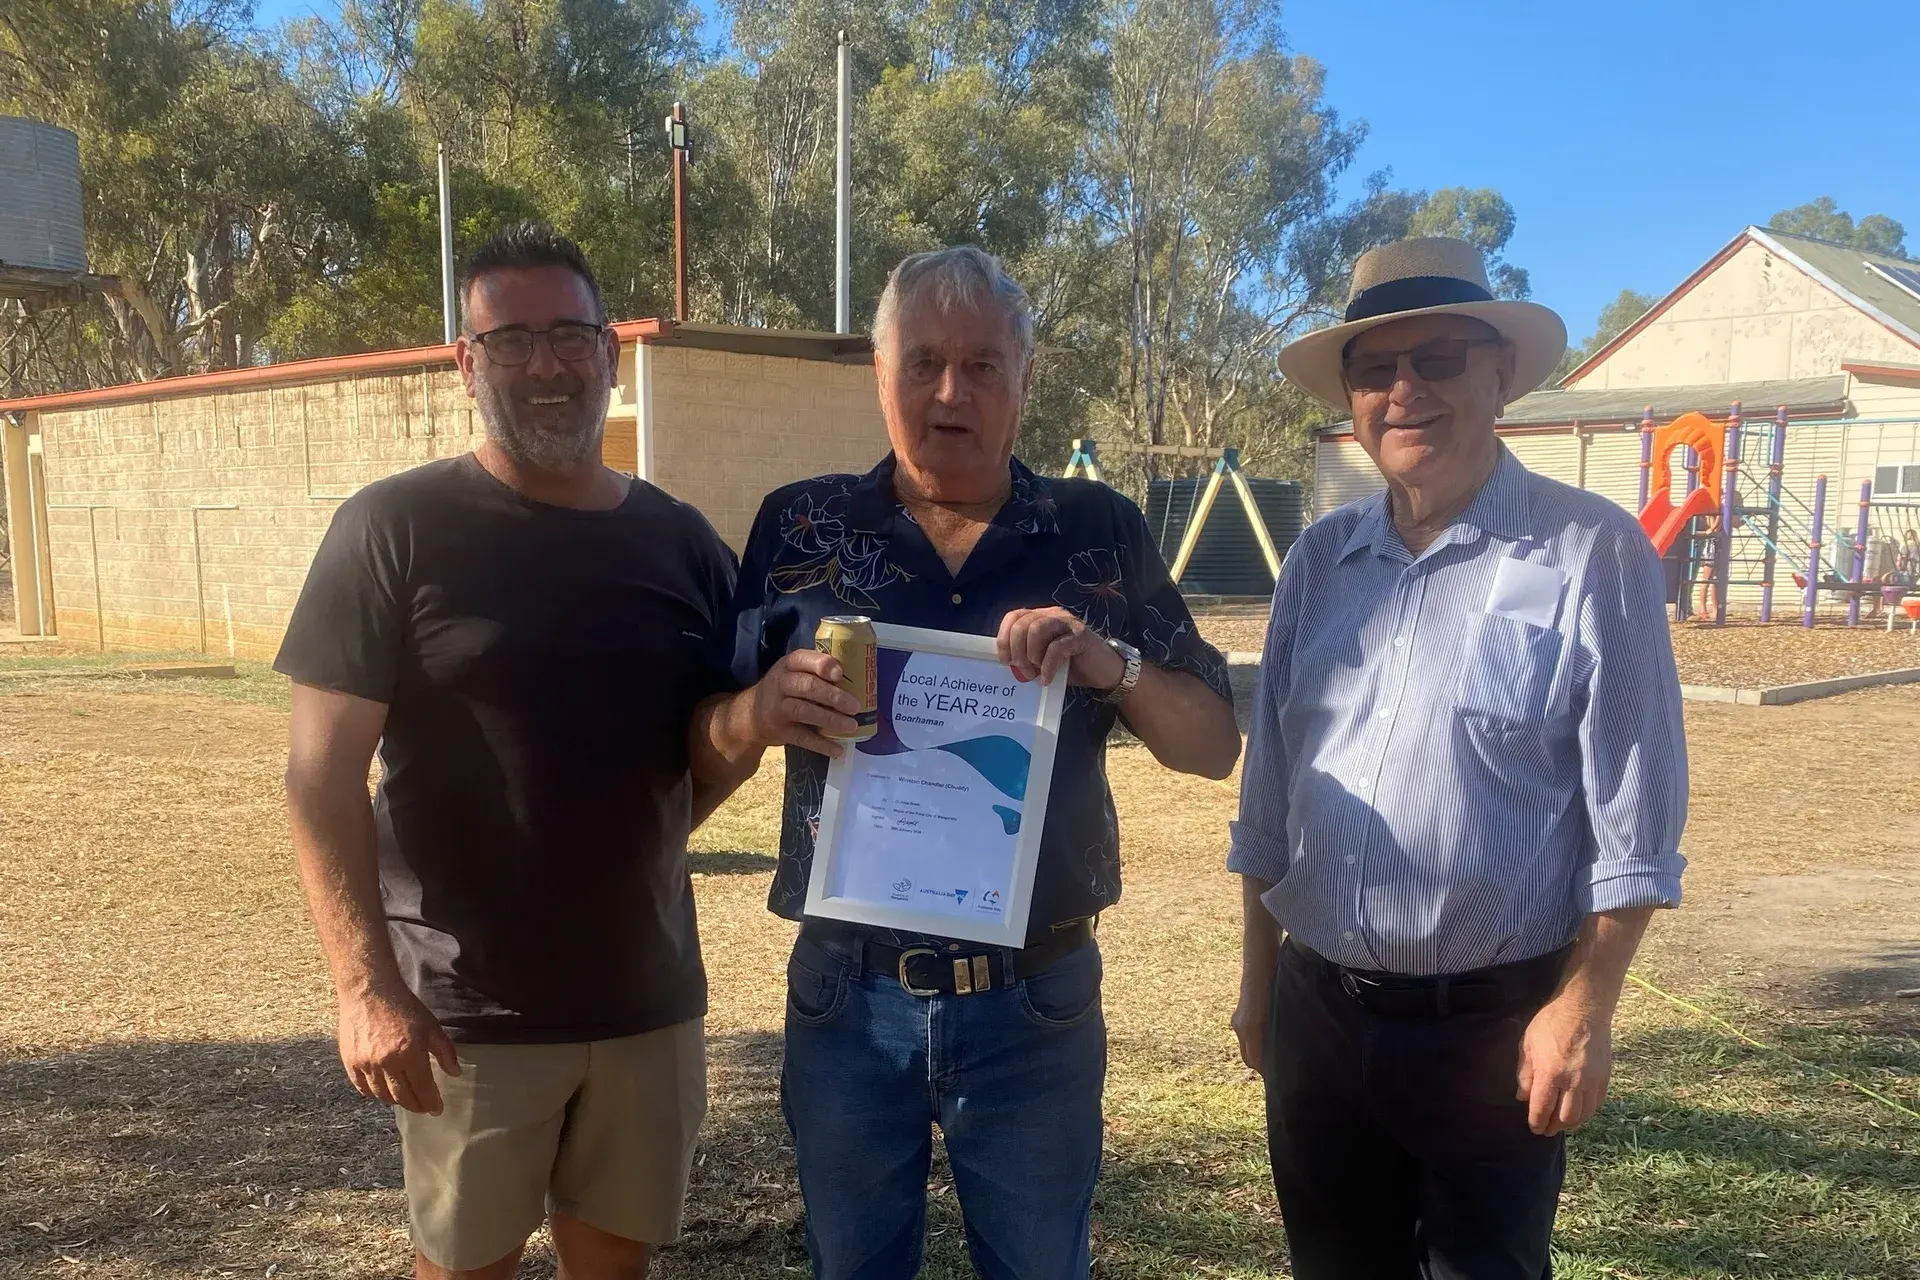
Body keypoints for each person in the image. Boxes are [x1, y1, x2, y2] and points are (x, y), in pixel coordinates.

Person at [687, 245, 1241, 1279]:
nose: (952, 393)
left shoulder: (1097, 530)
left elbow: (1214, 746)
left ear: (1025, 378)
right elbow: (701, 756)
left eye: (983, 364)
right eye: (925, 363)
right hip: (849, 998)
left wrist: (1108, 662)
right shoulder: (801, 527)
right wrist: (756, 712)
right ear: (880, 372)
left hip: (1036, 1000)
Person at [277, 222, 734, 1280]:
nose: (545, 366)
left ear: (609, 353)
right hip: (465, 1013)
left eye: (569, 336)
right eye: (511, 340)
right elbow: (319, 775)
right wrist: (364, 988)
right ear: (465, 361)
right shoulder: (391, 529)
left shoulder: (681, 541)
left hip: (645, 1002)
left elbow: (709, 748)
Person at [1229, 237, 1688, 1279]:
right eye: (1373, 368)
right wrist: (1259, 984)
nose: (1404, 390)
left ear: (1500, 373)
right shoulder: (1318, 561)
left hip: (1492, 1031)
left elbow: (1635, 822)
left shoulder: (1592, 552)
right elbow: (1270, 799)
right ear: (1351, 399)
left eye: (1437, 358)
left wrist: (1584, 1009)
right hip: (1316, 1017)